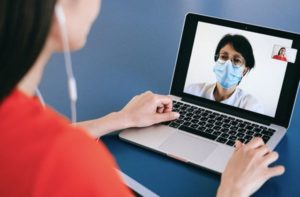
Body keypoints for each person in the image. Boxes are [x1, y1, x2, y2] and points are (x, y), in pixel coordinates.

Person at [0, 0, 284, 196]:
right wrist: (232, 191)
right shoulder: (79, 166)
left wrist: (120, 119)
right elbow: (53, 158)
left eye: (237, 61)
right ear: (58, 7)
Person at [185, 34, 264, 114]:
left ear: (244, 71)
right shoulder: (192, 90)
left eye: (237, 60)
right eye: (223, 57)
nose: (228, 64)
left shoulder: (251, 106)